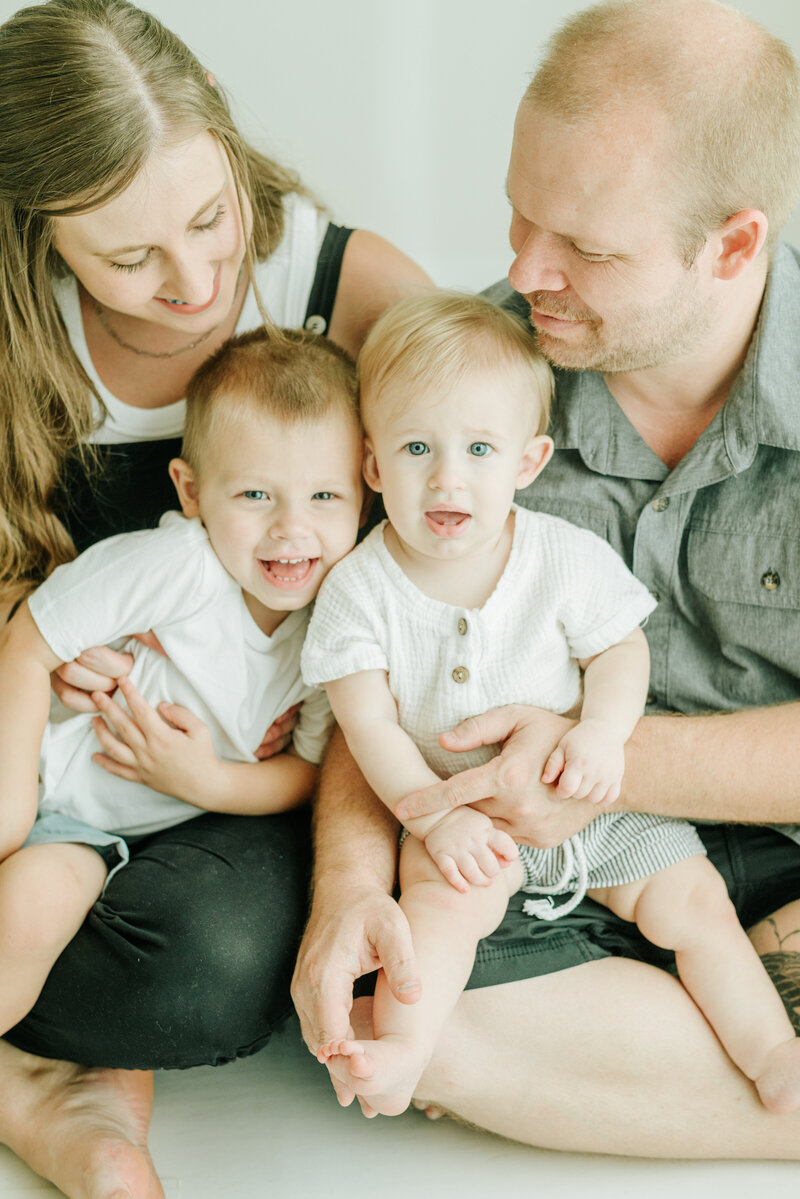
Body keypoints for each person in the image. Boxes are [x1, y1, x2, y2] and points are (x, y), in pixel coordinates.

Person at [291, 0, 800, 1157]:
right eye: (520, 216)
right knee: (411, 993)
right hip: (522, 866)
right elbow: (377, 659)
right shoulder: (473, 393)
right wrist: (346, 884)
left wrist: (589, 756)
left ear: (729, 244)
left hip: (719, 830)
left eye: (586, 246)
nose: (525, 272)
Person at [0, 0, 429, 1195]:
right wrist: (22, 631)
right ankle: (57, 1081)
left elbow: (459, 547)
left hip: (230, 776)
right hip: (33, 719)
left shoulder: (337, 281)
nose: (193, 282)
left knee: (214, 966)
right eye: (130, 258)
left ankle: (57, 1051)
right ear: (35, 237)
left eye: (210, 218)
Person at [0, 326, 364, 1040]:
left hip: (89, 829)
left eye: (325, 495)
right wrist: (13, 807)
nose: (293, 529)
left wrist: (206, 782)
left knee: (34, 909)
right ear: (192, 492)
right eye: (256, 494)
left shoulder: (336, 624)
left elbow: (309, 772)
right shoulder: (179, 566)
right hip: (25, 753)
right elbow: (24, 646)